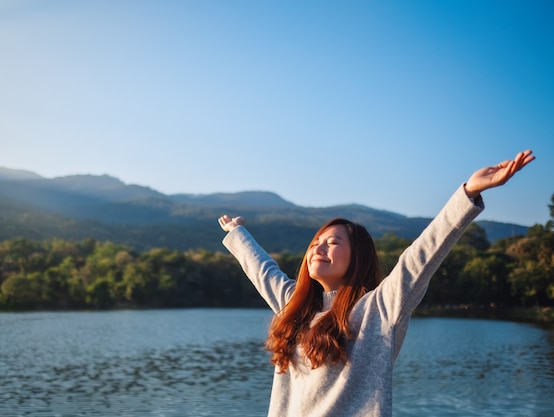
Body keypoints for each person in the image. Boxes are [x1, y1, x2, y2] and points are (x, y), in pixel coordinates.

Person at [218, 150, 535, 417]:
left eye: (333, 242)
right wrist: (237, 234)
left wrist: (466, 195)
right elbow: (262, 270)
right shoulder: (294, 304)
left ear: (357, 258)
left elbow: (420, 257)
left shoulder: (377, 310)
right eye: (316, 241)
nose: (319, 247)